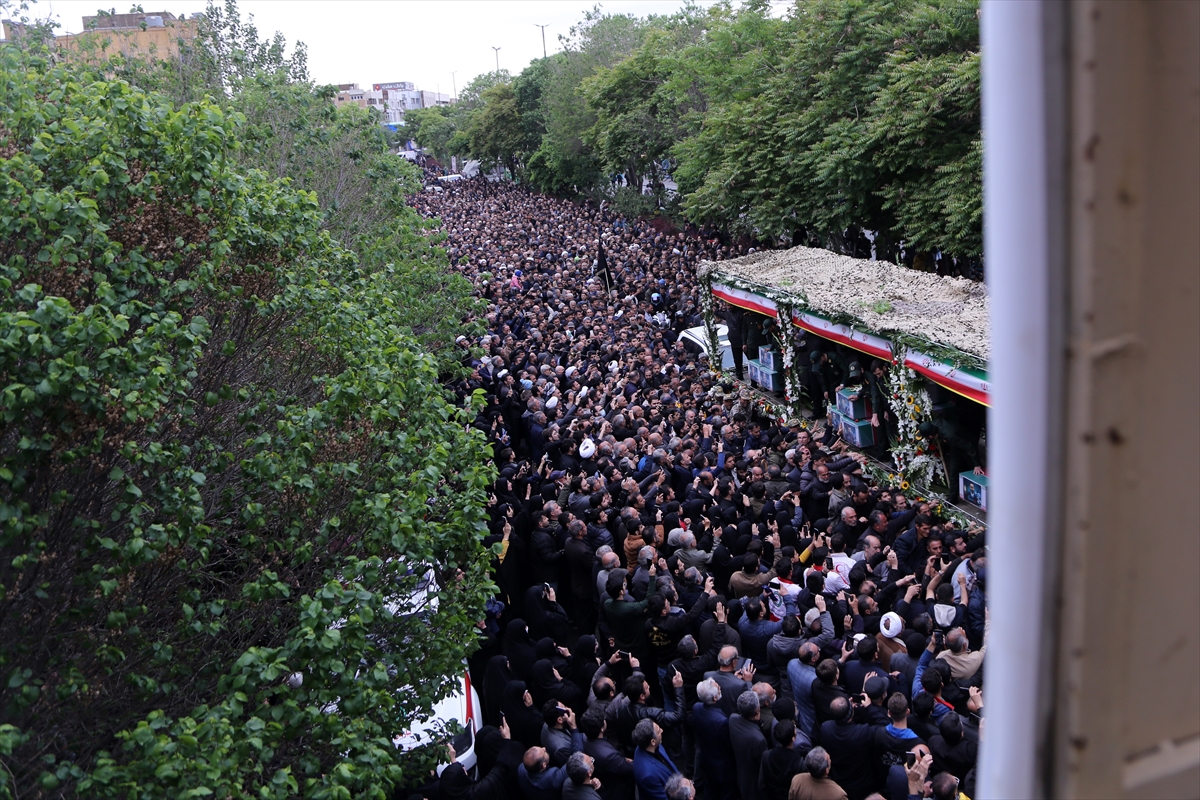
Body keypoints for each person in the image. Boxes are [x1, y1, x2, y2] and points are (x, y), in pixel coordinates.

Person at [729, 690, 770, 800]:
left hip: (740, 773)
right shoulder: (759, 740)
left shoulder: (733, 719)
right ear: (757, 710)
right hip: (754, 783)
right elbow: (762, 766)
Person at [631, 719, 678, 800]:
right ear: (653, 741)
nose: (662, 730)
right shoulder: (648, 776)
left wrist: (681, 780)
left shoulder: (652, 746)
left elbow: (669, 763)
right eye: (659, 731)